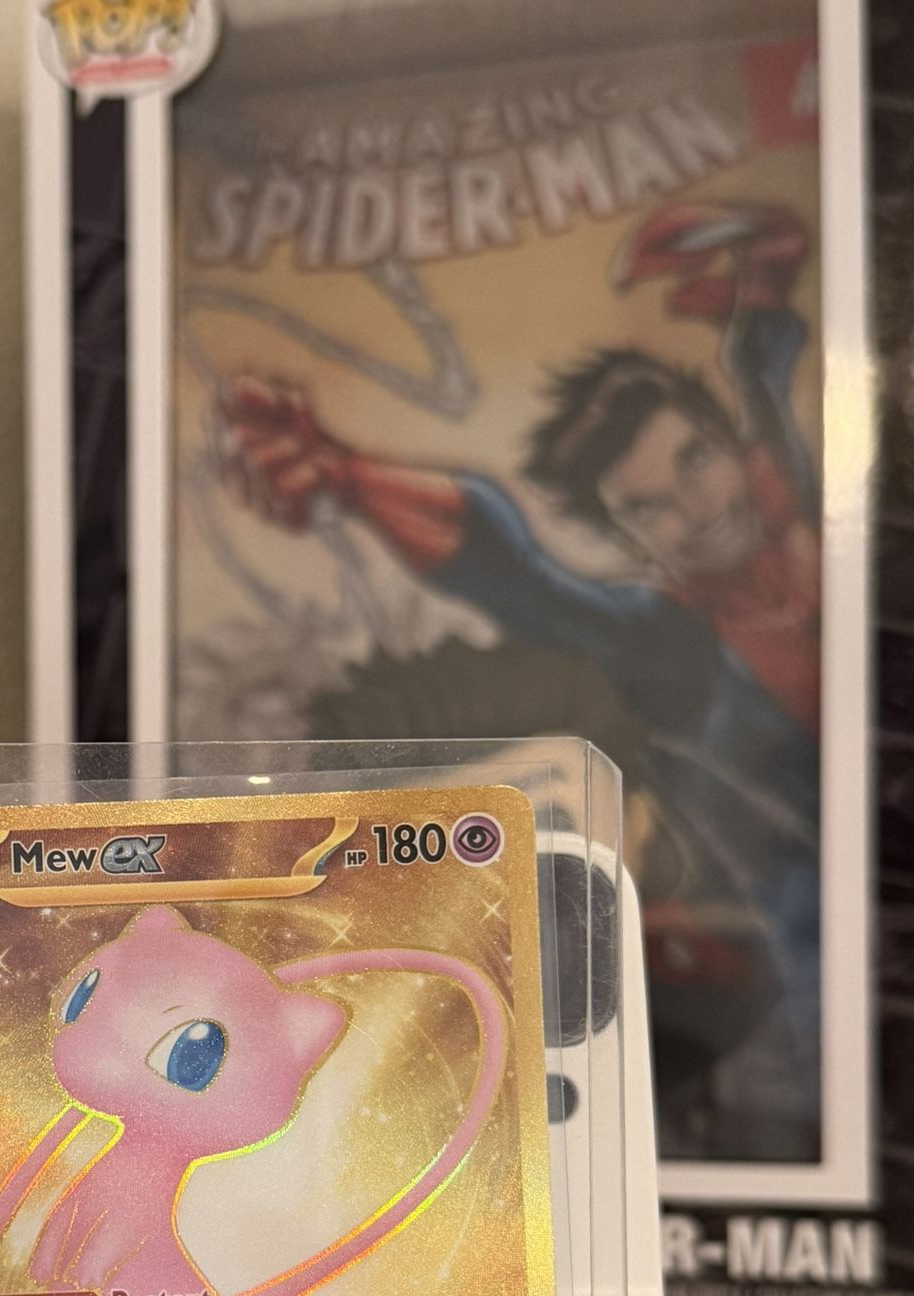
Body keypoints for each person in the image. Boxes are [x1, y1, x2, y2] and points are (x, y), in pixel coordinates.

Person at [218, 201, 822, 1160]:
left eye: (697, 460)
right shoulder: (672, 646)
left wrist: (770, 298)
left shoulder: (816, 515)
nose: (694, 507)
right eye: (649, 508)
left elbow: (771, 393)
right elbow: (514, 570)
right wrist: (347, 477)